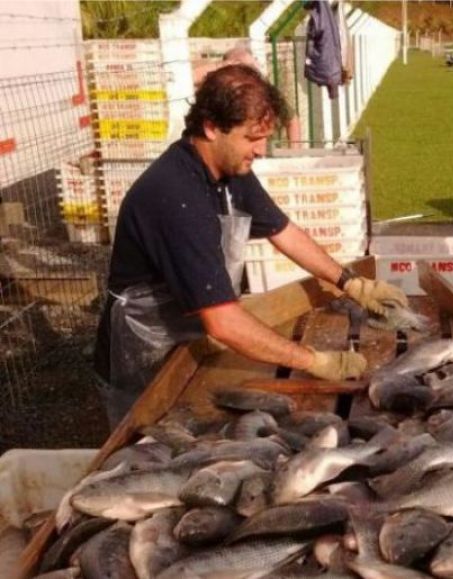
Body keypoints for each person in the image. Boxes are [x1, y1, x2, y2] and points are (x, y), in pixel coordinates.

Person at [93, 64, 407, 427]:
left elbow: (283, 231)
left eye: (264, 138)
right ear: (211, 126)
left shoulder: (229, 170)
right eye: (251, 138)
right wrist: (314, 361)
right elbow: (223, 322)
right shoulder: (176, 196)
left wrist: (351, 282)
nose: (260, 150)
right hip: (144, 357)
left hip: (188, 340)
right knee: (147, 448)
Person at [193, 44, 303, 148]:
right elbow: (186, 78)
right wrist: (223, 65)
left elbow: (292, 119)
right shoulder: (218, 95)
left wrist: (295, 151)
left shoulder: (264, 92)